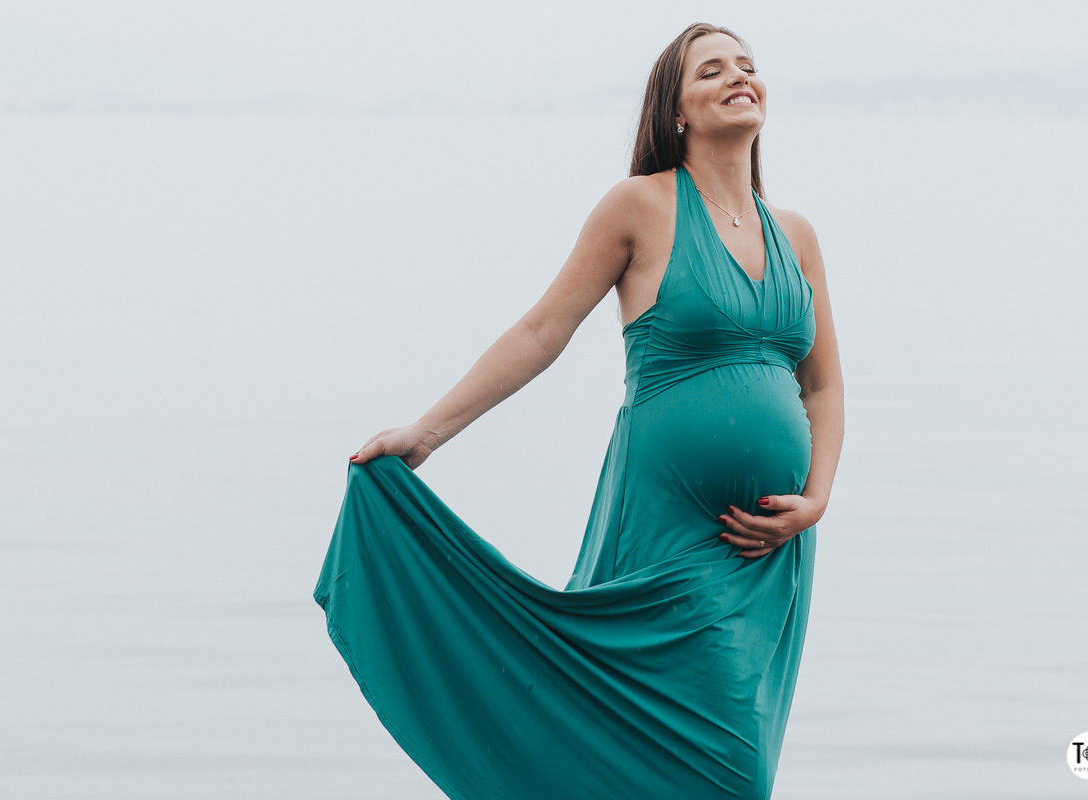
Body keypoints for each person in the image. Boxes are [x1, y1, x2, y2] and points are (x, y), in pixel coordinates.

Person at [314, 21, 844, 800]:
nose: (739, 77)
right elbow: (541, 330)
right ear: (677, 111)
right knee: (720, 772)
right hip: (668, 538)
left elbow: (824, 386)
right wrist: (426, 433)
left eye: (749, 66)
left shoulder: (796, 235)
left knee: (738, 766)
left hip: (764, 557)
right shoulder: (639, 207)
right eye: (712, 71)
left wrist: (818, 500)